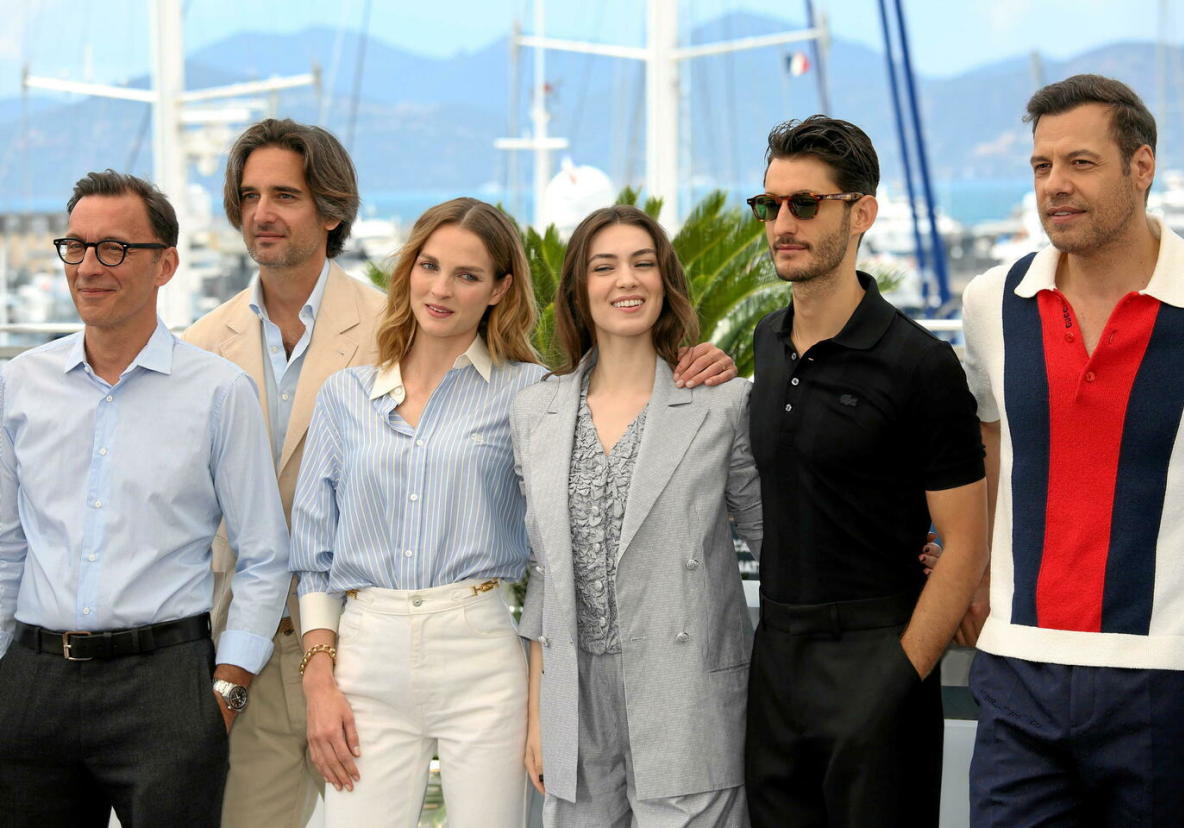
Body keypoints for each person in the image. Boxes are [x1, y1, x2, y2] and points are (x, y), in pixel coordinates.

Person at [289, 196, 739, 827]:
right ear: (408, 270)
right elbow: (313, 557)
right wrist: (319, 678)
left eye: (467, 275)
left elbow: (580, 529)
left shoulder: (531, 394)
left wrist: (705, 362)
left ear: (500, 289)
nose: (441, 289)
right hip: (367, 649)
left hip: (480, 645)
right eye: (430, 266)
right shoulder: (344, 398)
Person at [960, 74, 1184, 826]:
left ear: (1141, 167)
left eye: (1080, 163)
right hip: (1018, 665)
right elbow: (987, 434)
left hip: (1175, 678)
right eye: (1042, 166)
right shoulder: (992, 301)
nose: (1056, 185)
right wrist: (978, 570)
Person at [0, 171, 290, 827]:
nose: (88, 267)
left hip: (167, 688)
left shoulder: (219, 393)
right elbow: (5, 545)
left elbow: (266, 556)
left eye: (113, 248)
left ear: (166, 265)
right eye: (75, 246)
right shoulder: (18, 385)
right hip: (30, 684)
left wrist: (227, 692)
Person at [742, 116, 990, 828]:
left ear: (862, 213)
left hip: (877, 658)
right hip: (776, 661)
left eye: (805, 203)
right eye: (771, 205)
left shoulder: (919, 364)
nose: (782, 223)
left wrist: (896, 677)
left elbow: (963, 543)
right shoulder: (766, 342)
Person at [512, 205, 761, 827]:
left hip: (688, 694)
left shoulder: (721, 402)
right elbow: (546, 572)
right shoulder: (533, 413)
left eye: (643, 264)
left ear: (665, 281)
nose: (627, 280)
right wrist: (541, 712)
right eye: (605, 267)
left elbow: (775, 540)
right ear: (578, 289)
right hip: (576, 701)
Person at [182, 117, 387, 828]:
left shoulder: (395, 330)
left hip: (371, 646)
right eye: (248, 196)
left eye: (284, 195)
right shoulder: (201, 347)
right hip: (253, 654)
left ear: (332, 211)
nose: (260, 213)